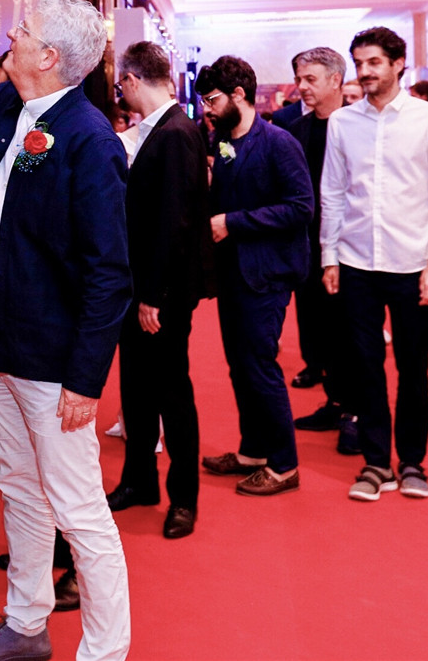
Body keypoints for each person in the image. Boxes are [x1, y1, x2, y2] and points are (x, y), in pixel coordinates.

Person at [0, 0, 131, 661]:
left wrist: (85, 380)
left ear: (49, 56)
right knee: (19, 489)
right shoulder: (9, 107)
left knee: (79, 510)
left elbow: (109, 273)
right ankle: (26, 627)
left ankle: (104, 653)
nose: (10, 34)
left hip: (53, 363)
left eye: (22, 31)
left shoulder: (89, 139)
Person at [321, 27, 428, 502]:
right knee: (364, 366)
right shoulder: (342, 122)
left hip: (412, 263)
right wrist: (329, 256)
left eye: (374, 62)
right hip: (356, 261)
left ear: (399, 64)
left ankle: (413, 462)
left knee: (412, 367)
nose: (364, 72)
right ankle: (376, 463)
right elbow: (332, 192)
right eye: (359, 63)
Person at [105, 41, 212, 539]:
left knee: (172, 392)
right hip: (138, 287)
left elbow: (175, 221)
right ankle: (139, 480)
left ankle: (183, 498)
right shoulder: (158, 130)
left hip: (160, 292)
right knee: (136, 389)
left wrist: (154, 295)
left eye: (120, 85)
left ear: (130, 81)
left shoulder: (175, 133)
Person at [197, 56, 313, 497]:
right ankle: (253, 451)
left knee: (260, 366)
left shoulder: (279, 142)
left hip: (268, 273)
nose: (207, 109)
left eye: (212, 99)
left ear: (239, 95)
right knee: (240, 367)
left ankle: (284, 465)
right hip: (232, 272)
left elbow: (301, 207)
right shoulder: (222, 138)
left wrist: (233, 222)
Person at [284, 47, 360, 455]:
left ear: (335, 80)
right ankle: (334, 400)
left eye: (310, 79)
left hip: (350, 248)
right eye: (300, 79)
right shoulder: (296, 129)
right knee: (318, 331)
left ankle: (356, 412)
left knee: (350, 333)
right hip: (307, 248)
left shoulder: (358, 126)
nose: (302, 87)